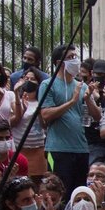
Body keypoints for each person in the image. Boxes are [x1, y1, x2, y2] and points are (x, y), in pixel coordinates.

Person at [40, 44, 96, 198]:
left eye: (75, 57)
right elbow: (45, 114)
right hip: (57, 149)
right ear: (59, 63)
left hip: (81, 148)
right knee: (58, 190)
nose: (75, 61)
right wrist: (72, 101)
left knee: (78, 193)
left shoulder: (82, 86)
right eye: (70, 57)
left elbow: (97, 116)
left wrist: (89, 99)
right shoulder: (47, 85)